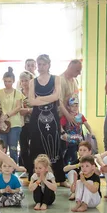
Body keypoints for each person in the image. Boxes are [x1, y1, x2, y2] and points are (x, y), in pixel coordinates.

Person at [26, 54, 65, 184]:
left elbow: (56, 96)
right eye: (40, 64)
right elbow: (31, 101)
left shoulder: (56, 79)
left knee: (54, 145)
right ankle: (35, 177)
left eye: (44, 64)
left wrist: (40, 100)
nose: (42, 67)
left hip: (52, 116)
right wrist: (46, 99)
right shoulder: (33, 81)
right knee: (36, 144)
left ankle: (59, 177)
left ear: (49, 65)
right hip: (37, 118)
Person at [0, 67, 24, 162]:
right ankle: (1, 167)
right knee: (2, 148)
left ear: (13, 81)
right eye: (5, 81)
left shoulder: (18, 93)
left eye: (9, 81)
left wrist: (7, 115)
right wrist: (1, 118)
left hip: (15, 123)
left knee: (13, 148)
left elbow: (18, 107)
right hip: (2, 123)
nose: (7, 83)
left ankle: (13, 168)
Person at [61, 96, 93, 166]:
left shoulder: (80, 116)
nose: (75, 108)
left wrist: (91, 132)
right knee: (69, 155)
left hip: (78, 140)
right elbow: (59, 126)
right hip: (69, 141)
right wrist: (63, 133)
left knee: (78, 154)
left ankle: (77, 167)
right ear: (69, 107)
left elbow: (87, 125)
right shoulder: (66, 116)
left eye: (76, 106)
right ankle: (68, 169)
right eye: (72, 106)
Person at [18, 71, 34, 171]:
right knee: (23, 148)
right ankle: (26, 169)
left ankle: (34, 168)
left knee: (33, 147)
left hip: (33, 124)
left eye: (26, 80)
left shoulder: (35, 93)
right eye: (22, 81)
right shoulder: (18, 93)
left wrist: (28, 110)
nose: (24, 83)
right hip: (21, 124)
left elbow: (39, 108)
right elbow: (16, 108)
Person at [59, 59, 82, 124]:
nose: (79, 73)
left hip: (74, 117)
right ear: (70, 67)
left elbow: (76, 99)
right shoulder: (61, 80)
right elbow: (59, 102)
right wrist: (68, 116)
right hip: (62, 118)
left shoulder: (75, 81)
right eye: (77, 70)